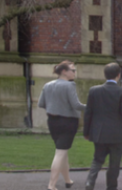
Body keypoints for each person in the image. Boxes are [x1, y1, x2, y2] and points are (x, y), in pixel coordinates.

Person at [83, 61, 122, 190]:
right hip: (117, 135)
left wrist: (86, 132)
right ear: (118, 75)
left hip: (99, 133)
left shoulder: (94, 90)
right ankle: (111, 187)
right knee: (114, 164)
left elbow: (88, 113)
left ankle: (90, 182)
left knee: (97, 160)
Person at [39, 61, 85, 190]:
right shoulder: (69, 86)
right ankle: (51, 185)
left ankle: (67, 180)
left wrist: (55, 107)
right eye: (73, 70)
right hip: (68, 122)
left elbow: (41, 103)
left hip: (52, 121)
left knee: (62, 151)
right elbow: (76, 105)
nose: (75, 72)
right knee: (60, 152)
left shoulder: (47, 85)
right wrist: (92, 107)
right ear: (64, 71)